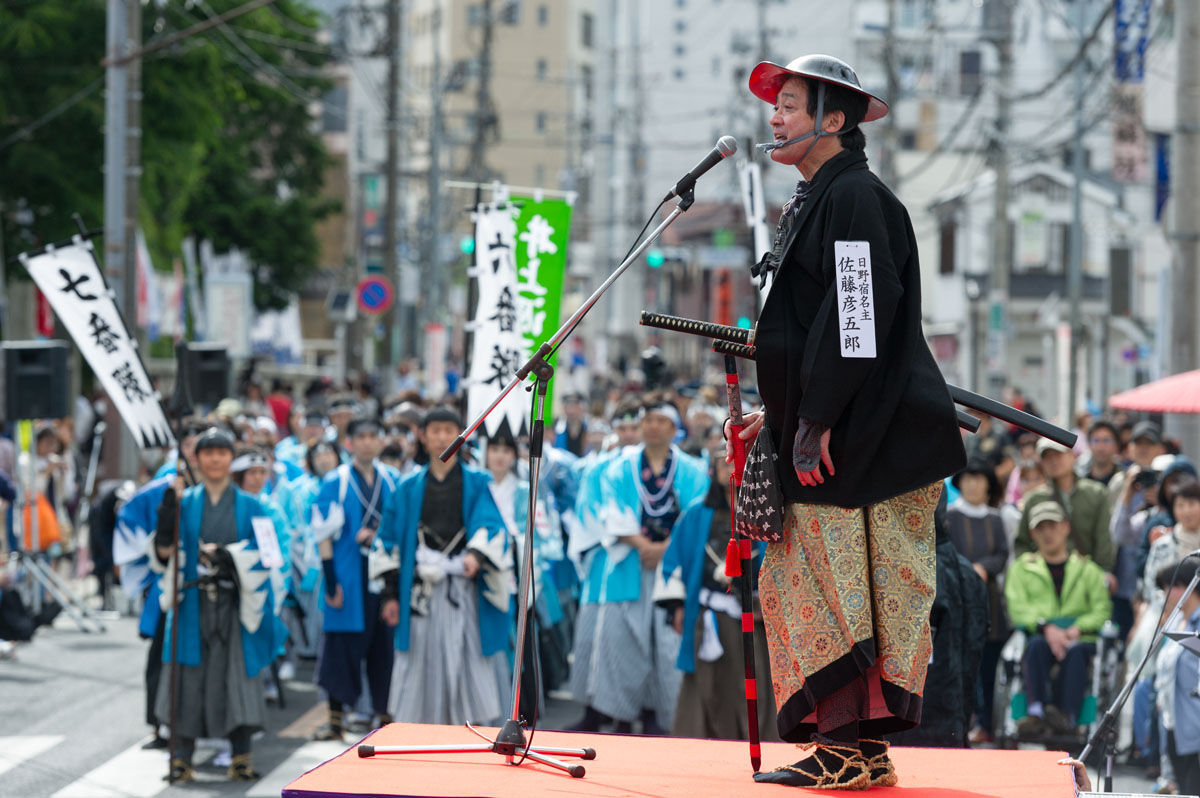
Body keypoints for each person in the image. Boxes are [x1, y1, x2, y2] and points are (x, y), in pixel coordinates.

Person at [735, 54, 965, 789]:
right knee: (831, 588)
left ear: (834, 121)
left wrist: (816, 419)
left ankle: (843, 750)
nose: (775, 117)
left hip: (857, 441)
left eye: (792, 105)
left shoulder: (856, 197)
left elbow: (857, 319)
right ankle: (857, 752)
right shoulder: (823, 197)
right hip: (843, 434)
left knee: (834, 590)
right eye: (778, 105)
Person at [569, 401, 708, 735]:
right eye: (649, 419)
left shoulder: (692, 469)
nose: (654, 426)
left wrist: (664, 549)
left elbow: (697, 513)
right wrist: (645, 546)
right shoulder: (619, 468)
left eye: (662, 420)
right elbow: (611, 509)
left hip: (672, 569)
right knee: (622, 641)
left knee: (667, 643)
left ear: (675, 429)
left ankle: (660, 716)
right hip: (629, 562)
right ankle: (620, 714)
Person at [150, 428, 277, 782]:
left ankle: (241, 755)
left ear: (231, 458)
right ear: (197, 459)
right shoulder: (184, 502)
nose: (216, 459)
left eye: (223, 452)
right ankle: (181, 756)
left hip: (236, 602)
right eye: (209, 453)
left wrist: (228, 557)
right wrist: (166, 515)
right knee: (187, 678)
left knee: (236, 676)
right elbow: (164, 554)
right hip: (192, 602)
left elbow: (269, 555)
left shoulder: (254, 505)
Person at [376, 407, 512, 725]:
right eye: (434, 430)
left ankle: (469, 728)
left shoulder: (478, 482)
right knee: (419, 660)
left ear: (460, 436)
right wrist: (390, 595)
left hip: (462, 587)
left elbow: (490, 524)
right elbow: (388, 541)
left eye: (449, 430)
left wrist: (475, 555)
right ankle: (420, 731)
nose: (441, 438)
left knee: (468, 656)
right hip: (420, 591)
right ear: (422, 437)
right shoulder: (407, 487)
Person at [653, 447, 779, 741]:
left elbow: (778, 561)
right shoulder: (697, 514)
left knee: (755, 679)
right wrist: (677, 608)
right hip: (707, 615)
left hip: (753, 615)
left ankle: (758, 740)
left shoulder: (765, 509)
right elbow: (674, 562)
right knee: (705, 683)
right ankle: (702, 742)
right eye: (723, 464)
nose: (728, 469)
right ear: (713, 471)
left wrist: (765, 599)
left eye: (736, 463)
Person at [309, 418, 399, 740]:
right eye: (359, 437)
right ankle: (336, 719)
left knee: (384, 646)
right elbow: (323, 534)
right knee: (341, 647)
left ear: (380, 441)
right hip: (348, 574)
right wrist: (331, 582)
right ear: (349, 443)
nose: (366, 442)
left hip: (383, 573)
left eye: (372, 435)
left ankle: (384, 714)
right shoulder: (337, 481)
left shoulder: (392, 479)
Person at [1005, 502, 1111, 738]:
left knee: (1076, 652)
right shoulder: (1021, 569)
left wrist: (1074, 630)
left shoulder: (1089, 569)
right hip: (1038, 635)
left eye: (1052, 526)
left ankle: (1067, 716)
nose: (1047, 533)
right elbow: (1017, 607)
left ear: (1065, 528)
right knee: (1035, 646)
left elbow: (1101, 610)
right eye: (1040, 528)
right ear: (1033, 533)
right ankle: (1036, 713)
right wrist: (1046, 628)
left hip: (1079, 638)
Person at [944, 458, 1009, 742]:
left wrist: (983, 568)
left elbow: (1002, 554)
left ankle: (986, 723)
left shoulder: (996, 519)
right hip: (956, 595)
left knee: (988, 664)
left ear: (988, 485)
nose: (973, 484)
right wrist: (966, 571)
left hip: (988, 599)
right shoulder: (950, 516)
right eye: (968, 478)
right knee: (956, 661)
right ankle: (958, 720)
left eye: (979, 479)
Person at [1014, 439, 1114, 573]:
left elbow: (1104, 538)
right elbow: (1022, 542)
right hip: (1044, 575)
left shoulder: (1096, 493)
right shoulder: (1034, 498)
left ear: (1072, 456)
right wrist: (1029, 571)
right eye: (1047, 457)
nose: (1053, 461)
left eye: (1058, 454)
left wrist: (1103, 571)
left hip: (1086, 574)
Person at [1154, 559, 1200, 796]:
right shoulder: (1178, 621)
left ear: (1185, 587)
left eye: (1168, 586)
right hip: (1173, 723)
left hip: (1194, 724)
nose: (1165, 594)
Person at [1078, 420, 1121, 486]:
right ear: (1089, 444)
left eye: (1106, 440)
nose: (1100, 447)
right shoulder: (1079, 477)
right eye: (1095, 440)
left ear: (1116, 445)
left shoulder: (1123, 479)